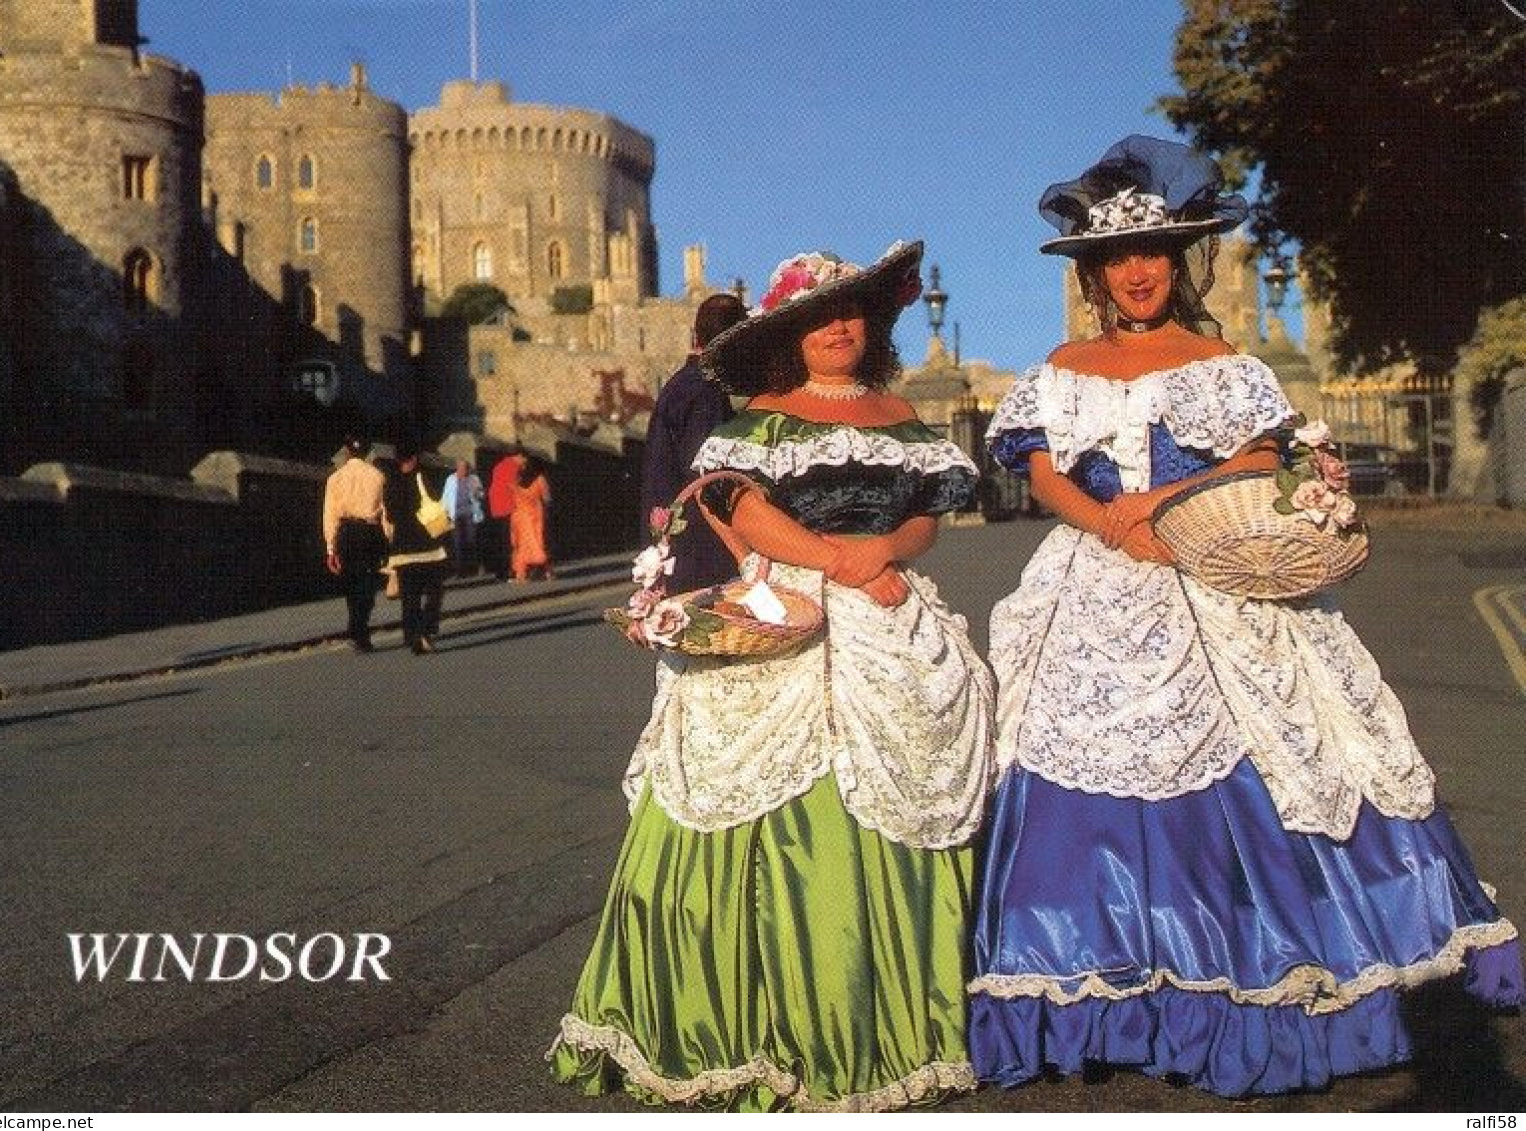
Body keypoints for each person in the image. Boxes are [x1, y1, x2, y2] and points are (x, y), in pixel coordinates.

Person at [967, 135, 1522, 1098]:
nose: (1138, 274)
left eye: (1156, 255)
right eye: (1118, 260)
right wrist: (1109, 521)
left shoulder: (1224, 360)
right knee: (1067, 763)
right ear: (1094, 273)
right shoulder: (1061, 364)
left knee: (1287, 754)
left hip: (1216, 570)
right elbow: (1043, 468)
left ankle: (1267, 959)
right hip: (1092, 583)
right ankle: (1108, 984)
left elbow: (1269, 460)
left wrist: (1168, 506)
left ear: (1179, 263)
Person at [549, 241, 995, 1111]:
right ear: (787, 335)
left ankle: (885, 1012)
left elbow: (923, 522)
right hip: (789, 599)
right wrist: (836, 559)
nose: (838, 327)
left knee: (914, 772)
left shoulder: (898, 413)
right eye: (816, 316)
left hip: (883, 605)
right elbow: (739, 507)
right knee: (744, 789)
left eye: (852, 310)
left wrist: (881, 553)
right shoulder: (757, 423)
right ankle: (746, 1021)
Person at [640, 292, 748, 595]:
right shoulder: (704, 393)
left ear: (695, 334)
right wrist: (743, 553)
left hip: (678, 547)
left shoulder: (682, 385)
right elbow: (706, 480)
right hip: (701, 554)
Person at [381, 439, 449, 655]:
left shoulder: (390, 483)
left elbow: (390, 514)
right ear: (414, 458)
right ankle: (426, 629)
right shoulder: (424, 477)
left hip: (403, 549)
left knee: (409, 597)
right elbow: (438, 502)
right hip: (427, 545)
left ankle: (412, 636)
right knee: (434, 592)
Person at [321, 431, 387, 653]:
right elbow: (385, 513)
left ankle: (357, 629)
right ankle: (360, 626)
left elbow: (330, 515)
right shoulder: (378, 476)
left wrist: (331, 548)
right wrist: (388, 539)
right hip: (370, 531)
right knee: (369, 582)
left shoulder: (335, 479)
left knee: (351, 582)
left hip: (347, 532)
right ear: (367, 451)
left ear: (348, 451)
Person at [509, 456, 552, 582]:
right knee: (538, 544)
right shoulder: (539, 480)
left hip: (520, 519)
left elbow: (509, 500)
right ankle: (546, 572)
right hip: (535, 518)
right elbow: (547, 499)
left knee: (523, 546)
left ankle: (522, 574)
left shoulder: (513, 482)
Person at [440, 457, 484, 577]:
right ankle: (459, 571)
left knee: (471, 541)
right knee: (457, 542)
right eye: (461, 468)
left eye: (465, 468)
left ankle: (474, 568)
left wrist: (477, 493)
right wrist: (444, 513)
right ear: (457, 468)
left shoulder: (474, 479)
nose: (463, 471)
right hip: (455, 514)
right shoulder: (450, 479)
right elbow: (445, 497)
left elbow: (481, 494)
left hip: (470, 513)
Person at [483, 450, 523, 580]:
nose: (524, 463)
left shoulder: (499, 466)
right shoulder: (512, 466)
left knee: (499, 542)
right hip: (507, 508)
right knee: (508, 542)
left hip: (495, 508)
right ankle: (508, 572)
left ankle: (499, 572)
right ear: (519, 456)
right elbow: (513, 487)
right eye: (524, 460)